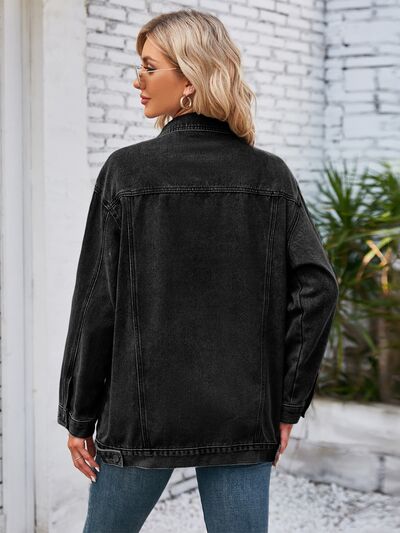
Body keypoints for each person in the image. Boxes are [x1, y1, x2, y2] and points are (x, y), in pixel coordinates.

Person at [57, 8, 339, 533]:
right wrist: (285, 406)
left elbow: (98, 302)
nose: (137, 81)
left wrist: (79, 415)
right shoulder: (271, 175)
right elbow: (317, 290)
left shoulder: (127, 172)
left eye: (149, 68)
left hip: (140, 418)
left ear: (190, 79)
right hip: (242, 417)